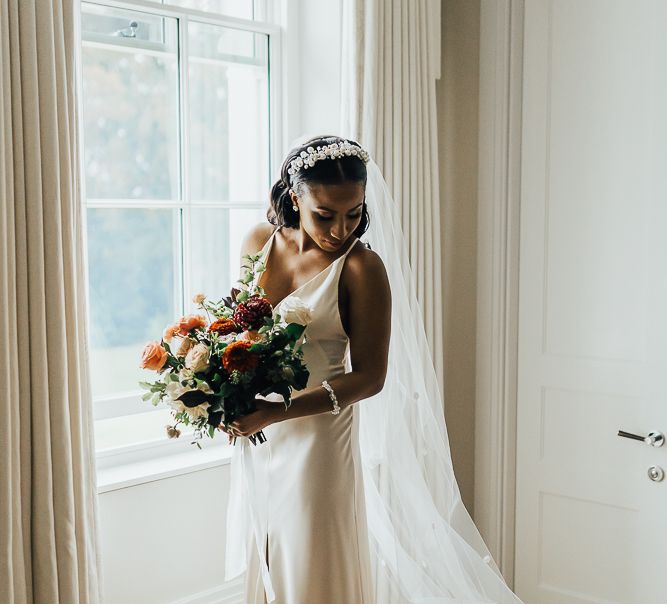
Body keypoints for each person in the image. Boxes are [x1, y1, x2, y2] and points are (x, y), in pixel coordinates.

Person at [222, 135, 525, 604]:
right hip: (259, 428)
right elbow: (238, 329)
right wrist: (225, 392)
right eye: (325, 214)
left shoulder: (362, 268)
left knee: (312, 554)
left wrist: (274, 412)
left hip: (318, 436)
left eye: (354, 213)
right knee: (266, 549)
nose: (341, 229)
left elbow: (370, 376)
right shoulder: (258, 242)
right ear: (294, 196)